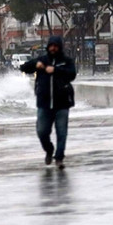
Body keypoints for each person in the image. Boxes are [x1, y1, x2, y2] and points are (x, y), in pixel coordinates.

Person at [20, 36, 76, 169]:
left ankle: (59, 158)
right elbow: (23, 68)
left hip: (62, 103)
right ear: (48, 47)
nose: (53, 48)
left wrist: (56, 70)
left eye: (56, 46)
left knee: (62, 132)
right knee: (41, 131)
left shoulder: (66, 61)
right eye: (51, 45)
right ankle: (49, 150)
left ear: (60, 47)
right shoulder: (42, 60)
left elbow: (72, 74)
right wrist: (35, 65)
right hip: (44, 104)